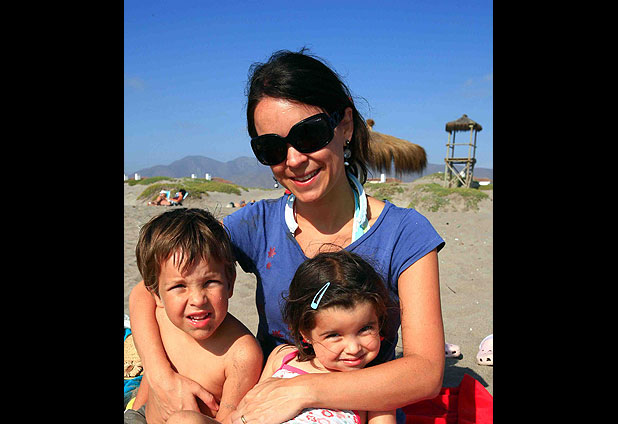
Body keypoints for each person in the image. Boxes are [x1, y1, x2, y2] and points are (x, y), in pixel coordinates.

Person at [128, 48, 445, 424]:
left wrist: (302, 390)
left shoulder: (403, 234)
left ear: (345, 126)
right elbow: (148, 290)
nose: (293, 159)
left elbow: (426, 372)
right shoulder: (256, 224)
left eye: (309, 134)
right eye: (272, 148)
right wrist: (161, 377)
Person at [170, 250, 396, 424]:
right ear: (305, 333)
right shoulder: (284, 357)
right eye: (334, 335)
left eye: (365, 329)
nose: (353, 348)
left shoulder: (376, 384)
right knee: (183, 420)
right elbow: (248, 409)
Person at [125, 208, 263, 424]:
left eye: (210, 282)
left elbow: (229, 420)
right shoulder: (161, 318)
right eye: (179, 286)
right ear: (157, 295)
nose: (198, 300)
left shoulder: (241, 354)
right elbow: (149, 386)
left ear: (230, 283)